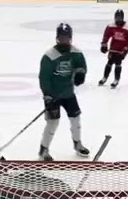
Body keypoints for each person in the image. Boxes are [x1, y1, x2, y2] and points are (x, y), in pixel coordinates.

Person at [37, 23, 89, 161]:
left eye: (66, 37)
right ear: (57, 38)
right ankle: (44, 150)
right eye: (61, 38)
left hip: (68, 94)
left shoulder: (76, 53)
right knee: (53, 122)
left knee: (75, 119)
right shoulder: (49, 56)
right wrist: (47, 95)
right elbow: (44, 77)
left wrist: (80, 74)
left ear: (71, 38)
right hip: (52, 95)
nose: (64, 40)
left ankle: (77, 144)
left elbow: (81, 66)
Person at [98, 9, 128, 89]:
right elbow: (106, 35)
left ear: (123, 18)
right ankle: (105, 77)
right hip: (113, 48)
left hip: (122, 50)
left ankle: (116, 79)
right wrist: (104, 44)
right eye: (117, 18)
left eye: (120, 18)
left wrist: (125, 49)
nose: (118, 20)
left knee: (118, 63)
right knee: (109, 62)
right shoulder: (111, 26)